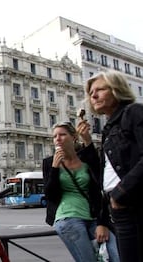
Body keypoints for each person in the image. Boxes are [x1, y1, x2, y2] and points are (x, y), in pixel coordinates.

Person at [85, 70, 143, 262]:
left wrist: (120, 193)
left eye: (100, 89)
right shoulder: (108, 128)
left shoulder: (134, 112)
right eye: (91, 92)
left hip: (133, 203)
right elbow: (104, 176)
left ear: (117, 90)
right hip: (119, 208)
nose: (93, 96)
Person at [43, 121, 119, 262]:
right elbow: (50, 195)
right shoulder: (49, 162)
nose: (57, 139)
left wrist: (102, 222)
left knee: (116, 256)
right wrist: (54, 168)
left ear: (73, 137)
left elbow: (99, 188)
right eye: (54, 136)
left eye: (62, 135)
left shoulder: (86, 158)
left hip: (94, 217)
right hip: (68, 219)